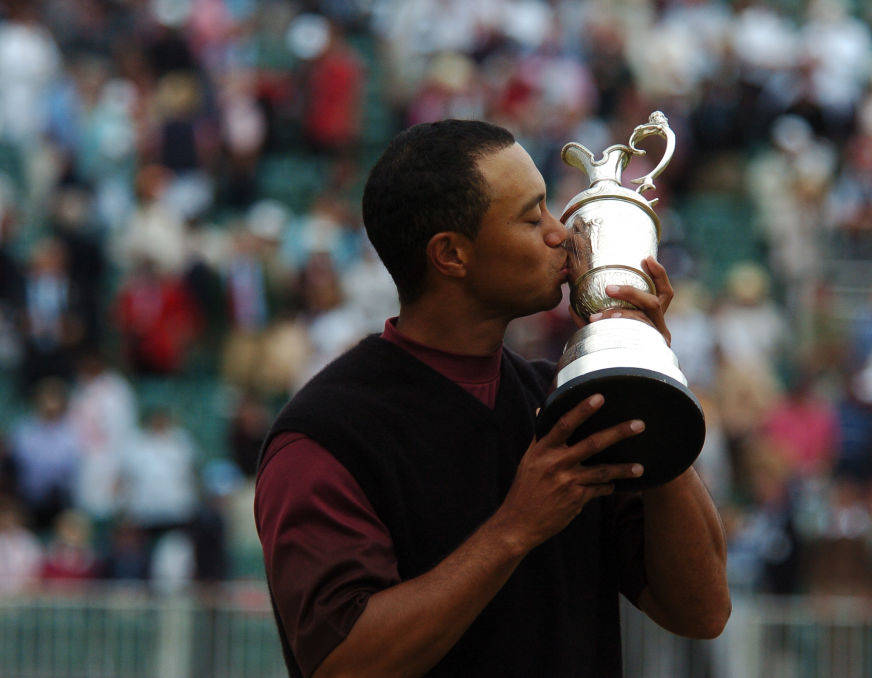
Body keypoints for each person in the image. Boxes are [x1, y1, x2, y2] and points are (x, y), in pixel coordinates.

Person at [254, 120, 730, 678]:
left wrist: (640, 372)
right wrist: (514, 528)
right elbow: (341, 664)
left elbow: (702, 610)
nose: (564, 235)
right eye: (533, 217)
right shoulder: (325, 434)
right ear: (451, 255)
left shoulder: (571, 399)